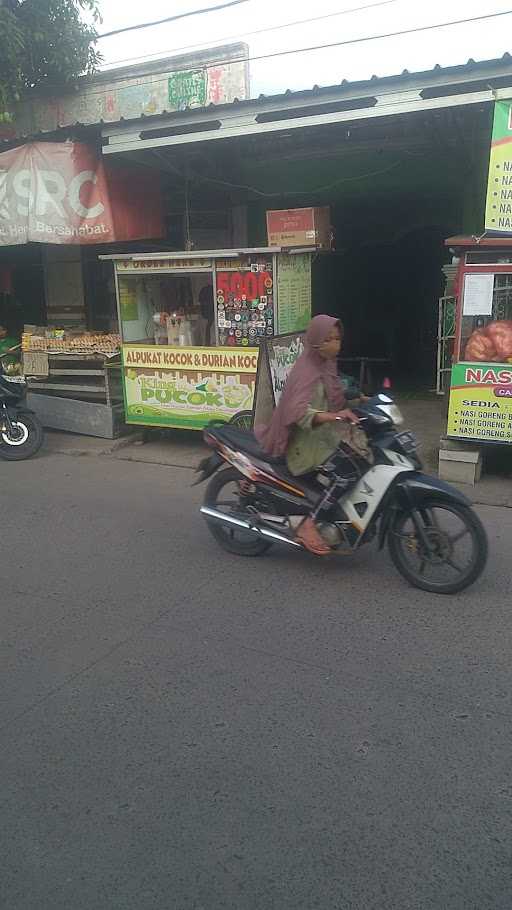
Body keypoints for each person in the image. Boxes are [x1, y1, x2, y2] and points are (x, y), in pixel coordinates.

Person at [256, 315, 372, 556]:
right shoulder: (306, 369)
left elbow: (336, 393)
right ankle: (308, 524)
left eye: (337, 338)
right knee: (345, 474)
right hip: (303, 446)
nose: (334, 344)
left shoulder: (326, 364)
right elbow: (298, 412)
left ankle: (336, 516)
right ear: (316, 340)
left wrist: (362, 399)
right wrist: (336, 417)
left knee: (361, 460)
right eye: (328, 339)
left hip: (323, 437)